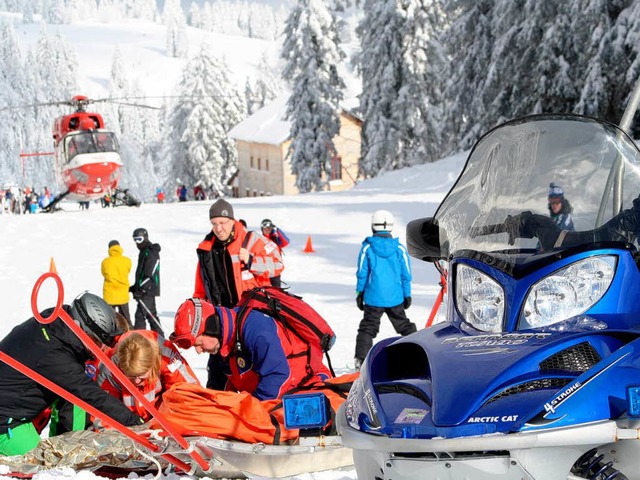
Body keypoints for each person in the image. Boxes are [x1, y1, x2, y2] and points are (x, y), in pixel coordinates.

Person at [0, 292, 143, 456]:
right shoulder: (55, 354)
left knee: (72, 404)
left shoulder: (56, 325)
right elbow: (90, 393)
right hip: (6, 423)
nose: (100, 349)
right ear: (82, 329)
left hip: (15, 410)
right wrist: (133, 422)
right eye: (96, 342)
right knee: (46, 468)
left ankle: (62, 447)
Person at [170, 298, 331, 398]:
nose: (199, 351)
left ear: (211, 328)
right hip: (276, 397)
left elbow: (278, 376)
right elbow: (219, 391)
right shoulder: (220, 346)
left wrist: (251, 411)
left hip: (306, 390)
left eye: (198, 344)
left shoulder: (256, 331)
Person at [354, 210, 416, 371]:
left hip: (374, 297)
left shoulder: (368, 247)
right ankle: (419, 352)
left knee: (368, 327)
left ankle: (360, 360)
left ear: (373, 226)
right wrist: (406, 294)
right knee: (404, 325)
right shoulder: (399, 248)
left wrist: (359, 293)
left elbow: (362, 272)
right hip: (395, 296)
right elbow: (406, 274)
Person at [193, 198, 284, 308]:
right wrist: (198, 308)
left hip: (254, 312)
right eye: (214, 224)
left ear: (232, 221)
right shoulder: (207, 250)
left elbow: (278, 263)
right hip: (223, 315)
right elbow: (200, 289)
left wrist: (251, 261)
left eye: (222, 223)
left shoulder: (251, 240)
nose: (218, 229)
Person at [97, 330, 199, 421]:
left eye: (142, 377)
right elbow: (103, 411)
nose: (137, 381)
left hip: (164, 420)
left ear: (153, 364)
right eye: (131, 377)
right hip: (128, 424)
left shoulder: (166, 356)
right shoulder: (108, 368)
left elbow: (190, 393)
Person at [130, 228, 163, 336]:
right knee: (151, 315)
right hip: (146, 289)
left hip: (148, 290)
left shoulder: (150, 252)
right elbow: (142, 273)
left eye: (139, 239)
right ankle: (161, 341)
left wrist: (142, 288)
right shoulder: (144, 251)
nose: (137, 243)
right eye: (135, 240)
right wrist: (136, 287)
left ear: (145, 238)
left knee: (140, 315)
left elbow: (150, 274)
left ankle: (139, 341)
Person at [101, 240, 133, 328]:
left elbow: (104, 273)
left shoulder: (105, 262)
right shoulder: (127, 260)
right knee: (126, 318)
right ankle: (131, 334)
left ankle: (111, 338)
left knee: (110, 319)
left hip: (109, 294)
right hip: (122, 294)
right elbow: (128, 270)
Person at [260, 219, 290, 287]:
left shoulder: (275, 239)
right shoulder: (260, 240)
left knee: (276, 292)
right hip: (265, 271)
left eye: (269, 228)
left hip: (275, 271)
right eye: (265, 228)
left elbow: (286, 241)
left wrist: (277, 230)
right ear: (262, 229)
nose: (267, 230)